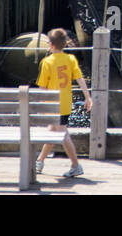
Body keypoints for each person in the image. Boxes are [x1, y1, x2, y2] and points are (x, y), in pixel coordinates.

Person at [35, 28, 92, 179]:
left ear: (51, 45)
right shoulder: (71, 60)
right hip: (66, 103)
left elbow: (42, 87)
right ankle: (39, 161)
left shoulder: (47, 62)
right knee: (54, 132)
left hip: (52, 104)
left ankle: (75, 165)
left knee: (60, 133)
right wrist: (87, 97)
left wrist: (38, 105)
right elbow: (80, 79)